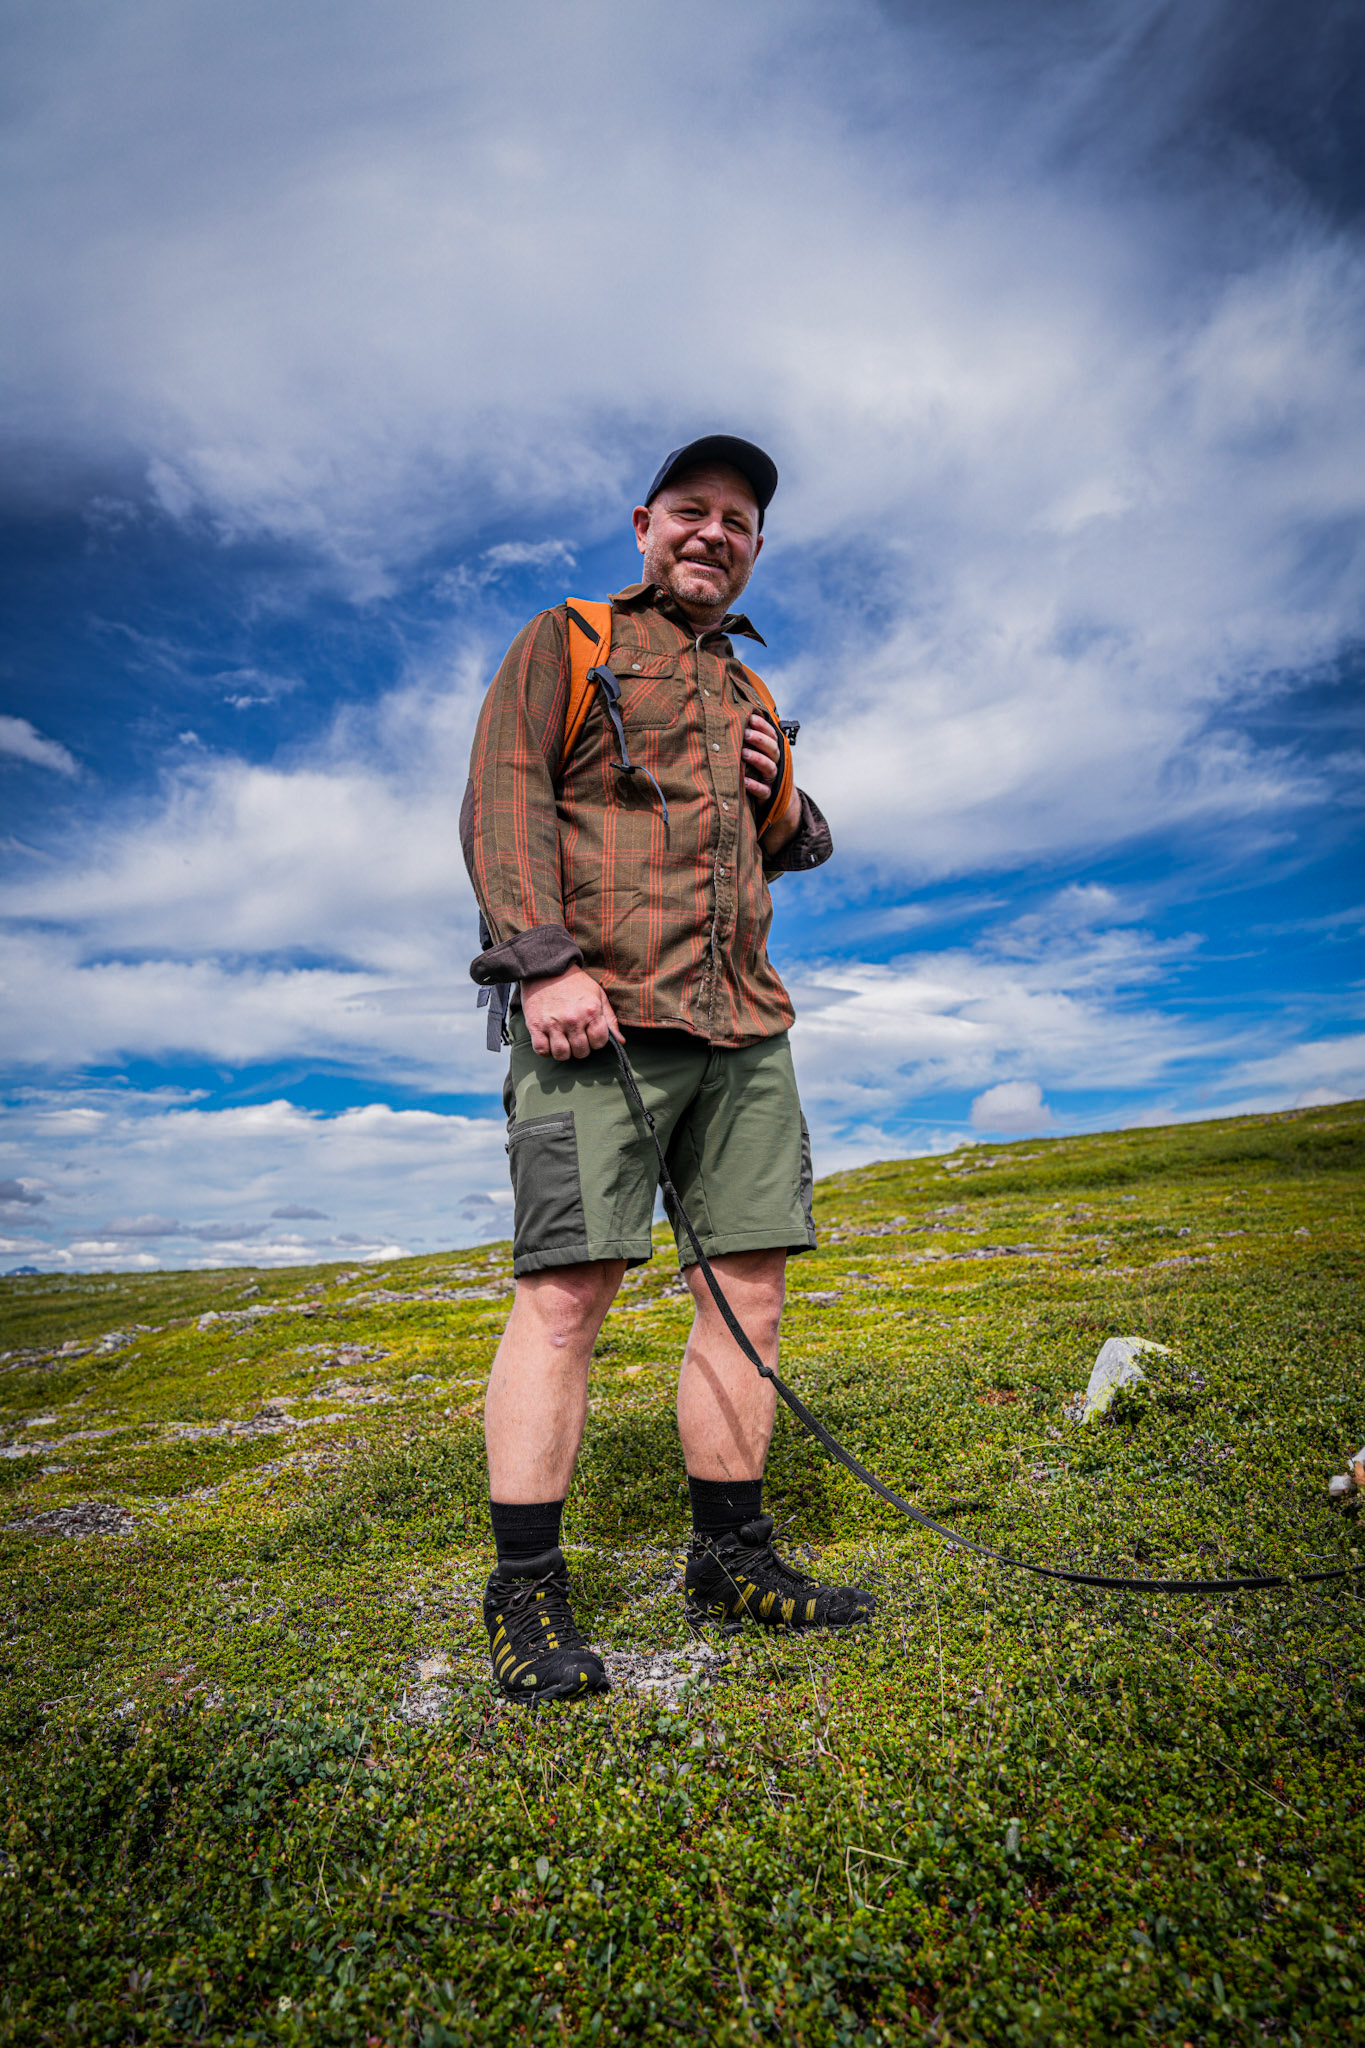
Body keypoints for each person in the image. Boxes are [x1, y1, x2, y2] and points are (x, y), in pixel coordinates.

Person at [461, 433, 875, 1703]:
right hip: (598, 1017)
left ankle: (730, 1557)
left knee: (749, 1290)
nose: (713, 533)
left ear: (756, 547)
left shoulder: (750, 688)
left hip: (744, 1023)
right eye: (691, 510)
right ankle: (525, 1589)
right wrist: (544, 964)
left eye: (738, 520)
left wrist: (786, 793)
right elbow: (503, 795)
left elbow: (793, 841)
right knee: (567, 1292)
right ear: (644, 524)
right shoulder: (569, 638)